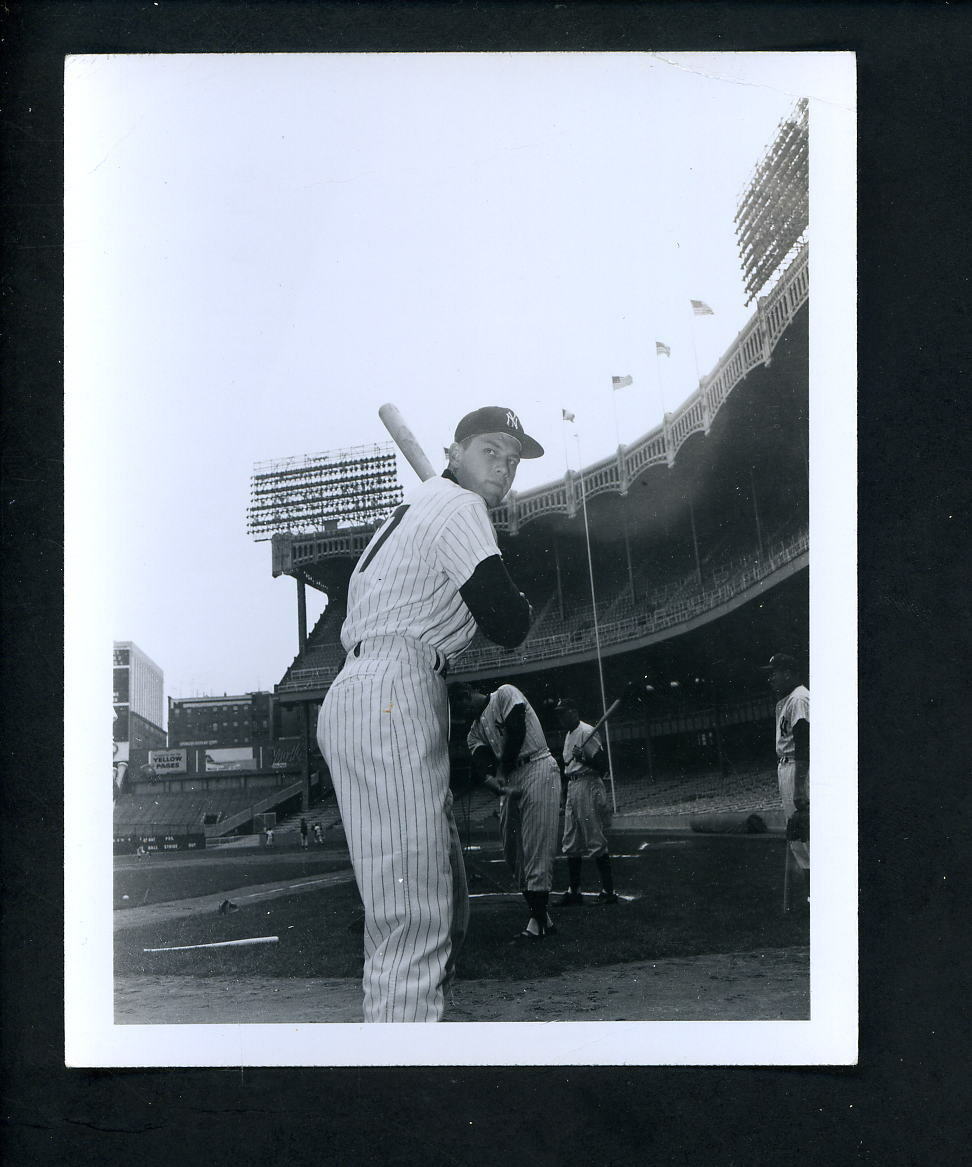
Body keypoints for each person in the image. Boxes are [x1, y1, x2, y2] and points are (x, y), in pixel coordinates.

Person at [317, 406, 543, 1022]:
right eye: (490, 450)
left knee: (438, 895)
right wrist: (511, 585)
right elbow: (508, 622)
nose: (504, 465)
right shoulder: (457, 506)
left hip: (375, 684)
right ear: (454, 452)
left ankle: (414, 1026)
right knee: (414, 913)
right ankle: (403, 1067)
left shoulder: (422, 507)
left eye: (513, 457)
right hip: (393, 686)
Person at [451, 682, 561, 940]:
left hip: (537, 765)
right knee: (513, 853)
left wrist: (499, 771)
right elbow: (481, 762)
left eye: (461, 707)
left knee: (536, 846)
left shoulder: (504, 694)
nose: (462, 715)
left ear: (466, 695)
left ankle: (537, 923)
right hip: (513, 777)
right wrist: (490, 780)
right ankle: (543, 917)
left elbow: (516, 730)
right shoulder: (474, 731)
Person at [554, 698, 618, 905]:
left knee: (594, 838)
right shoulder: (569, 735)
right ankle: (575, 891)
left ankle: (609, 892)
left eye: (564, 712)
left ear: (574, 711)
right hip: (573, 786)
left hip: (588, 784)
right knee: (570, 841)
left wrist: (583, 758)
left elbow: (602, 765)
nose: (561, 717)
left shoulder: (586, 731)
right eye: (559, 714)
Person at [762, 653, 810, 897]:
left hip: (796, 767)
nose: (770, 677)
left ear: (788, 673)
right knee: (797, 835)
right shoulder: (787, 700)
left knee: (805, 831)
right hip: (786, 767)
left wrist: (800, 787)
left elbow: (804, 743)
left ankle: (818, 892)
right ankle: (813, 892)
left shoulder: (799, 698)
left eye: (774, 672)